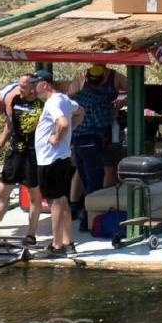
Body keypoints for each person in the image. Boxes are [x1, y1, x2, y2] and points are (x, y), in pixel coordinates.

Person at [32, 73, 82, 258]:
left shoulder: (53, 102)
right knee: (62, 201)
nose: (33, 88)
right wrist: (70, 132)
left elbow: (63, 123)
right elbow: (80, 111)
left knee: (55, 203)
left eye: (35, 84)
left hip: (51, 159)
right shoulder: (64, 99)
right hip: (59, 158)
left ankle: (57, 245)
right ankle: (69, 243)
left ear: (44, 85)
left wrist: (57, 137)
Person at [0, 74, 43, 240]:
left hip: (33, 154)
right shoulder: (15, 100)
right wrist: (0, 145)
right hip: (15, 153)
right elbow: (9, 125)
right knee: (2, 192)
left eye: (23, 87)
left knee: (35, 196)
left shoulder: (44, 104)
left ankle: (31, 234)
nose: (20, 89)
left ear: (34, 88)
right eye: (19, 86)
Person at [68, 64, 124, 222]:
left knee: (83, 177)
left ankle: (78, 211)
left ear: (87, 80)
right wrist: (112, 114)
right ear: (101, 81)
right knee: (94, 181)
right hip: (92, 142)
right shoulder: (100, 99)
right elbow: (101, 122)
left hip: (76, 143)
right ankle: (89, 218)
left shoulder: (76, 97)